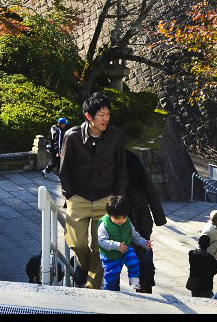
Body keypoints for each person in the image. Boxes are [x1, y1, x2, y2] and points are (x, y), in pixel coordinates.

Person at [59, 92, 128, 289]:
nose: (105, 119)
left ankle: (91, 286)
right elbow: (64, 170)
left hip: (105, 199)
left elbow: (122, 170)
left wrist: (117, 199)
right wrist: (69, 195)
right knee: (77, 243)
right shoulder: (72, 136)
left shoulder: (116, 137)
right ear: (89, 116)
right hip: (78, 198)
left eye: (108, 114)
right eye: (101, 115)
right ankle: (82, 264)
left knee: (101, 247)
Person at [124, 150, 166, 294]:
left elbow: (150, 192)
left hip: (140, 220)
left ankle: (144, 285)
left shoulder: (135, 164)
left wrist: (159, 217)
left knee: (145, 254)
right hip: (121, 221)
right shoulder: (110, 165)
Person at [97, 194, 152, 292]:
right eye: (117, 218)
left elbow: (135, 235)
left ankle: (134, 280)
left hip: (126, 249)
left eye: (124, 217)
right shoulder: (104, 225)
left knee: (133, 260)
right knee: (111, 275)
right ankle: (108, 291)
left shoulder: (127, 222)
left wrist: (144, 242)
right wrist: (117, 246)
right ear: (110, 215)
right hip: (110, 254)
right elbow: (102, 241)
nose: (121, 221)